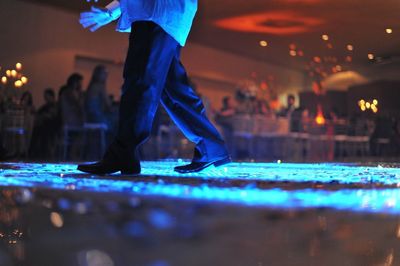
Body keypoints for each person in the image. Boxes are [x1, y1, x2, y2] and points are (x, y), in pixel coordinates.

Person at [77, 0, 230, 175]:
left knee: (141, 80)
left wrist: (112, 10)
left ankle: (124, 151)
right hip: (166, 14)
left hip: (156, 13)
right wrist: (112, 10)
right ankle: (211, 146)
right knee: (171, 87)